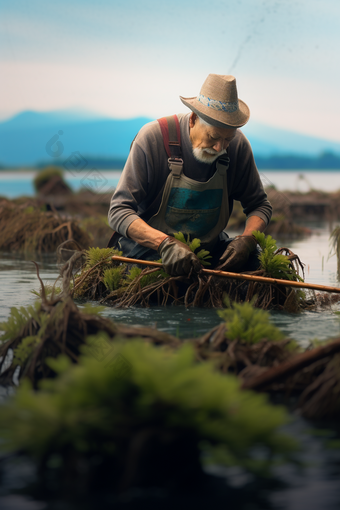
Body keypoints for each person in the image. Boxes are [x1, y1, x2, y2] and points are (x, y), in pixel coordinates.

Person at [108, 74, 272, 276]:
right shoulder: (153, 138)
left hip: (208, 252)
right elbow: (118, 211)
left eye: (227, 139)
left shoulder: (238, 146)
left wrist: (248, 240)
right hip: (149, 250)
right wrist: (165, 244)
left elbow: (259, 205)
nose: (220, 147)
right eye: (213, 137)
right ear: (193, 119)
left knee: (258, 263)